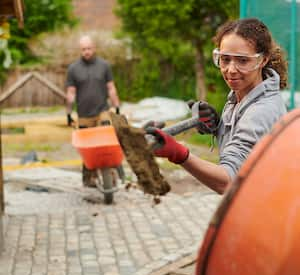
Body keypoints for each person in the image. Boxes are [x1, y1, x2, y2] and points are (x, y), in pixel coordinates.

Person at [146, 18, 287, 195]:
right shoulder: (240, 95)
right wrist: (218, 127)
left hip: (264, 211)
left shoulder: (262, 110)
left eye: (242, 61)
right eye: (225, 59)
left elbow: (228, 181)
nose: (231, 69)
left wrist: (179, 154)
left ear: (263, 60)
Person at [66, 35, 121, 187]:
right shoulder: (73, 69)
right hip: (84, 115)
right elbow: (70, 93)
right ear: (80, 50)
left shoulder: (104, 66)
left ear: (94, 48)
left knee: (107, 142)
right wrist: (68, 113)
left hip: (102, 111)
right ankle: (89, 177)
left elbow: (111, 88)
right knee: (87, 147)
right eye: (84, 49)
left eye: (89, 48)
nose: (87, 52)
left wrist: (116, 106)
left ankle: (111, 174)